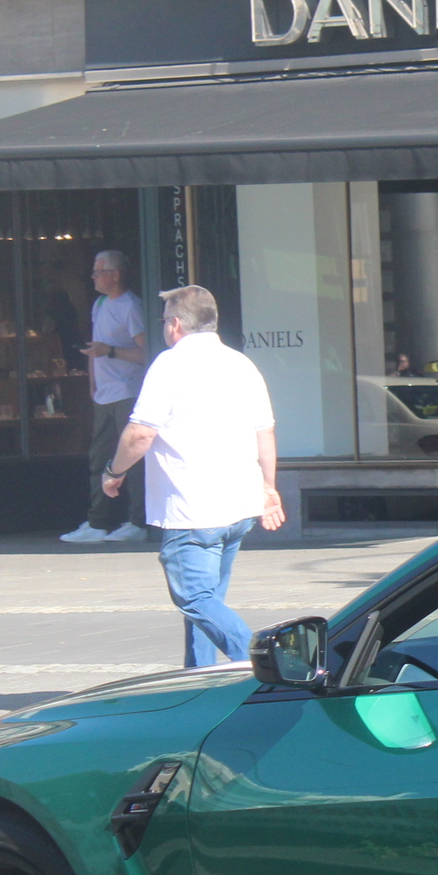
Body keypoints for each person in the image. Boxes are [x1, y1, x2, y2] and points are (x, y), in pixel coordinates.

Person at [99, 285, 284, 668]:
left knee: (195, 599)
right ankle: (199, 680)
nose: (165, 327)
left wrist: (113, 472)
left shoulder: (170, 364)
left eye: (165, 320)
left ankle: (273, 664)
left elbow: (140, 434)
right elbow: (264, 433)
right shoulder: (241, 364)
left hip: (191, 509)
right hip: (238, 507)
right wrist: (268, 488)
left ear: (177, 324)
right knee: (208, 603)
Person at [62, 249, 148, 543]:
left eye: (99, 272)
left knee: (132, 458)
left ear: (115, 275)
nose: (94, 277)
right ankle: (97, 522)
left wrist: (109, 352)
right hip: (105, 395)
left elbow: (145, 352)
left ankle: (138, 522)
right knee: (99, 457)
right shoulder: (99, 304)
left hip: (127, 392)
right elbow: (94, 346)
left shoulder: (131, 307)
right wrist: (92, 380)